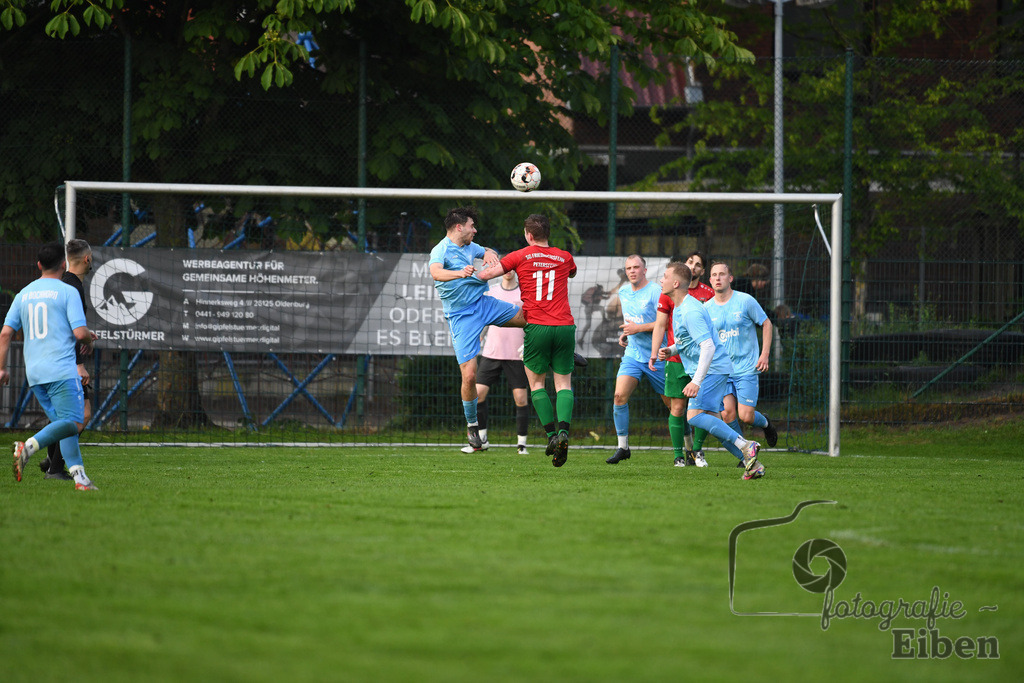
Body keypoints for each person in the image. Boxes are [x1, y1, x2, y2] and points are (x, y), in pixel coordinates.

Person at [476, 214, 578, 467]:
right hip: (564, 326)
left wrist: (467, 274)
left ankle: (552, 436)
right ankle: (564, 431)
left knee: (537, 385)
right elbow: (572, 273)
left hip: (537, 326)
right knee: (563, 383)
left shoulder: (519, 255)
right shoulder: (565, 256)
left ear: (528, 235)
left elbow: (487, 275)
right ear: (547, 234)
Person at [1, 241, 99, 491]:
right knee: (76, 422)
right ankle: (29, 447)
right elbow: (79, 333)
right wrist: (89, 336)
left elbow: (5, 334)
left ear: (38, 265)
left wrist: (1, 368)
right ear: (63, 265)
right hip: (61, 370)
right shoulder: (68, 292)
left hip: (34, 373)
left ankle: (80, 479)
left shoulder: (24, 293)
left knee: (65, 426)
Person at [429, 206, 528, 452]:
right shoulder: (440, 249)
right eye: (472, 226)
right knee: (470, 376)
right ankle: (472, 427)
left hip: (483, 304)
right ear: (459, 227)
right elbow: (435, 273)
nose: (475, 230)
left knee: (532, 318)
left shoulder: (470, 246)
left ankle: (563, 350)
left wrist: (489, 254)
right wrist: (459, 273)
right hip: (461, 317)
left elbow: (487, 250)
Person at [655, 261, 765, 480]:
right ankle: (752, 464)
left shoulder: (690, 311)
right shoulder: (680, 307)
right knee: (716, 423)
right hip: (713, 367)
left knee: (694, 416)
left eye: (665, 276)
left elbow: (708, 346)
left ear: (676, 283)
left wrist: (696, 381)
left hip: (713, 368)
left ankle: (746, 444)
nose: (661, 280)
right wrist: (672, 349)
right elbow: (692, 340)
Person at [647, 251, 715, 468]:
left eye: (698, 264)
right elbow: (661, 325)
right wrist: (661, 351)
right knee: (678, 408)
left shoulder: (703, 298)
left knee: (704, 409)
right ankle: (680, 455)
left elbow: (708, 339)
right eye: (690, 262)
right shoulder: (671, 297)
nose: (693, 266)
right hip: (677, 361)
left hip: (702, 361)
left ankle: (698, 451)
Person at [705, 261, 779, 454]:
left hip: (746, 367)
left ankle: (766, 423)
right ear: (710, 280)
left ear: (730, 278)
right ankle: (745, 453)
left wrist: (764, 355)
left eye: (722, 274)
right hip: (722, 370)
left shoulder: (745, 301)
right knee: (727, 414)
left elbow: (767, 324)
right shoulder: (706, 308)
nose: (718, 278)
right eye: (714, 275)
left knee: (746, 416)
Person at [37, 238, 94, 480]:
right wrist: (79, 364)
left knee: (64, 415)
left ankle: (52, 458)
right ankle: (55, 467)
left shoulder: (63, 283)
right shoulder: (73, 288)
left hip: (51, 358)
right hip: (65, 362)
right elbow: (71, 331)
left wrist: (86, 337)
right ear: (87, 259)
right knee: (82, 414)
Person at [605, 254, 669, 464]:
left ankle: (688, 448)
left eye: (636, 267)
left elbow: (664, 323)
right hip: (632, 355)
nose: (632, 271)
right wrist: (626, 334)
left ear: (645, 270)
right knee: (619, 397)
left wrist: (638, 328)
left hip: (657, 356)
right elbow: (631, 322)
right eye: (629, 268)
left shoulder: (656, 292)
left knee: (674, 406)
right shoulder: (623, 292)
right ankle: (623, 447)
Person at [460, 270, 532, 455]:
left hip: (516, 354)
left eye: (511, 269)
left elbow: (530, 320)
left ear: (516, 271)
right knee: (479, 394)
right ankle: (482, 439)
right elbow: (482, 317)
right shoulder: (491, 291)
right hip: (492, 352)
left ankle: (522, 444)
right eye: (504, 268)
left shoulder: (524, 292)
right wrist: (479, 336)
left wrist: (529, 342)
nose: (508, 272)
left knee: (521, 399)